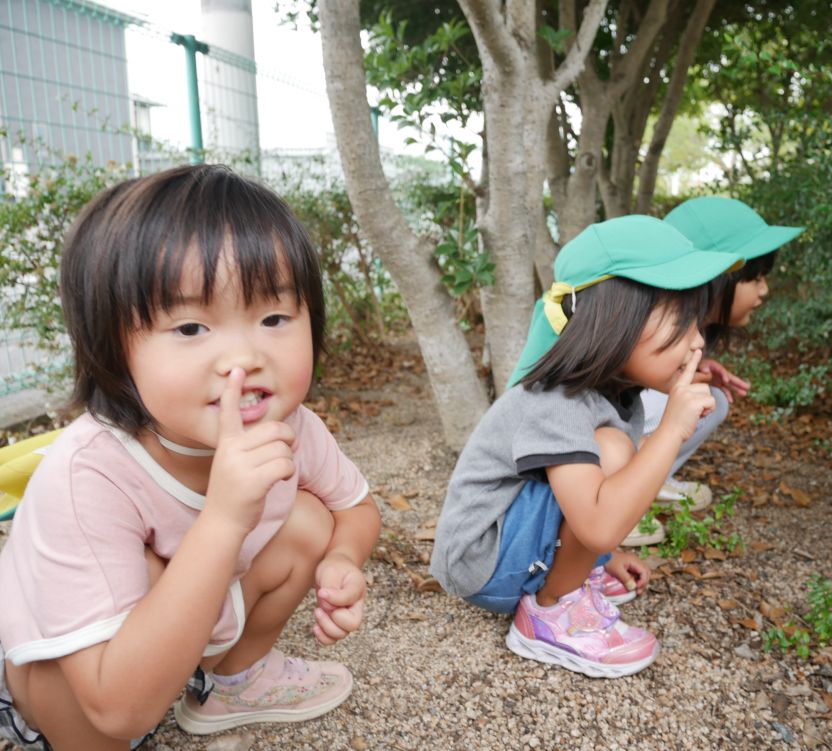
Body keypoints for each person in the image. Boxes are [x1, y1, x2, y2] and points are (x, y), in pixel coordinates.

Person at [0, 165, 381, 750]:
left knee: (310, 520)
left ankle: (231, 683)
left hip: (182, 628)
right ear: (112, 347)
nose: (244, 357)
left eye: (274, 318)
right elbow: (114, 711)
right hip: (74, 690)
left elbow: (356, 509)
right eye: (191, 327)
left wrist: (344, 559)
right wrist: (226, 517)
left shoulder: (293, 427)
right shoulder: (90, 474)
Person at [430, 215, 743, 678]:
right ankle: (551, 612)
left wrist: (603, 557)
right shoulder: (557, 399)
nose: (697, 338)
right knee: (614, 452)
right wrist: (672, 429)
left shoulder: (616, 394)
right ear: (615, 317)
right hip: (481, 560)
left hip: (514, 548)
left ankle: (570, 579)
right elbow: (596, 520)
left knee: (616, 456)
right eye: (682, 318)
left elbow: (588, 510)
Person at [623, 196, 804, 547]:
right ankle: (617, 498)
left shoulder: (687, 322)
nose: (764, 290)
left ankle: (646, 483)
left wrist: (692, 368)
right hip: (579, 456)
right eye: (756, 277)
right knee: (688, 399)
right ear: (720, 277)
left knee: (713, 400)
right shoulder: (651, 321)